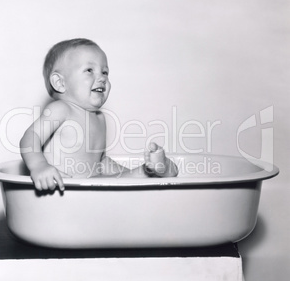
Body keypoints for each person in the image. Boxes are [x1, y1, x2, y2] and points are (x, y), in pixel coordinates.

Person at [20, 38, 178, 191]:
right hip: (67, 187)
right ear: (60, 83)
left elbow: (100, 162)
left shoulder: (99, 118)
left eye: (105, 72)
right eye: (89, 70)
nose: (102, 78)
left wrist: (125, 172)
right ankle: (150, 172)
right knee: (139, 176)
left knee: (131, 178)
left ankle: (152, 171)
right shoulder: (61, 109)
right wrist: (39, 165)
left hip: (93, 186)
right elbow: (30, 137)